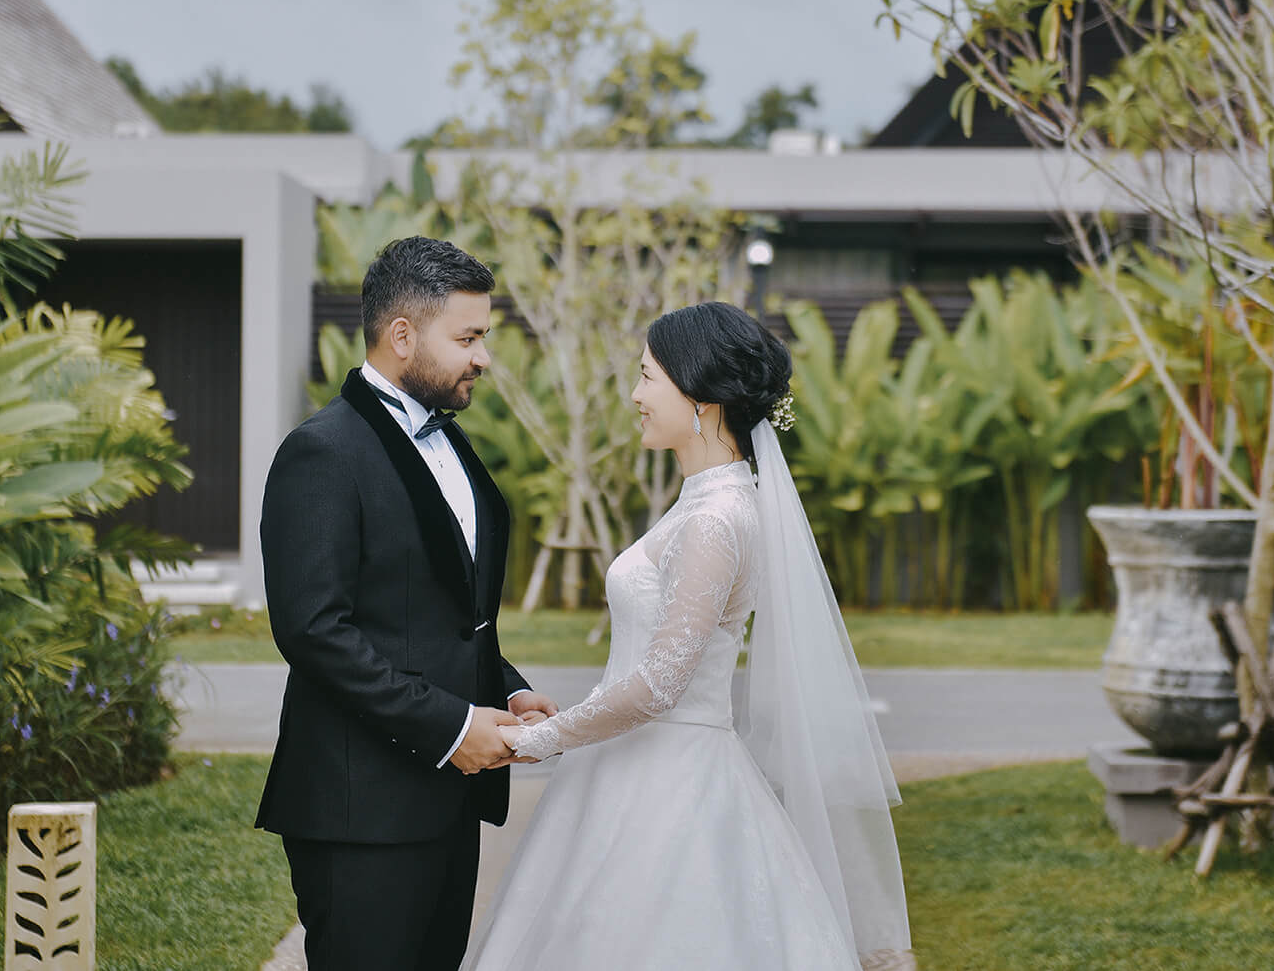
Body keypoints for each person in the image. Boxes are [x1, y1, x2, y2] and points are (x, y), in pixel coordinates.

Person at [463, 301, 916, 971]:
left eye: (648, 377)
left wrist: (533, 742)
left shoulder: (716, 518)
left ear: (700, 396)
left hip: (668, 782)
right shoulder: (708, 502)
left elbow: (657, 687)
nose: (635, 395)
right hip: (631, 764)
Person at [255, 237, 559, 971]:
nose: (483, 357)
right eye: (469, 337)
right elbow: (314, 630)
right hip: (362, 812)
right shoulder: (321, 453)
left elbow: (445, 613)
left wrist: (507, 689)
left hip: (447, 807)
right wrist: (454, 727)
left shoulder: (453, 445)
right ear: (401, 336)